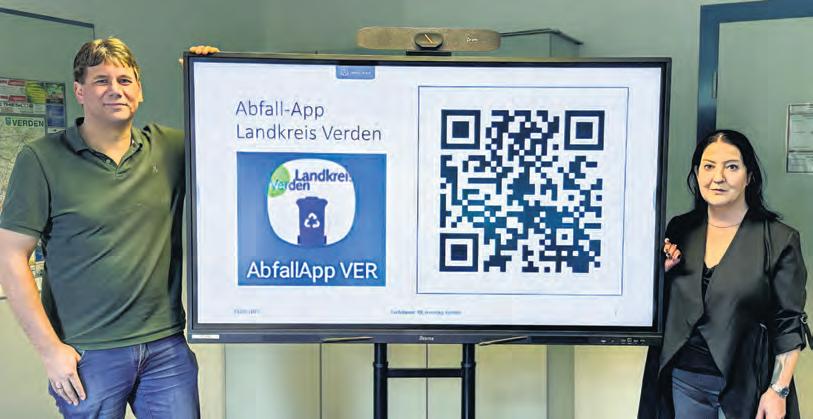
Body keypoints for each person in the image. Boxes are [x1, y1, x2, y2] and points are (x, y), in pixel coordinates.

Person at [0, 38, 216, 418]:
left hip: (165, 348)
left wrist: (207, 80)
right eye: (101, 80)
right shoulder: (41, 159)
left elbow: (227, 143)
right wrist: (50, 351)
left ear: (139, 91)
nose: (115, 90)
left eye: (125, 80)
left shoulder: (168, 149)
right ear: (80, 92)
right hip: (88, 354)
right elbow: (10, 256)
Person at [638, 129, 811, 419]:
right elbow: (665, 308)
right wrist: (660, 274)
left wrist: (778, 390)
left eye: (731, 167)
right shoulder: (680, 229)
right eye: (708, 166)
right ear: (697, 173)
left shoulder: (779, 239)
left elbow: (788, 324)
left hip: (746, 387)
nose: (717, 177)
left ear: (749, 176)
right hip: (683, 381)